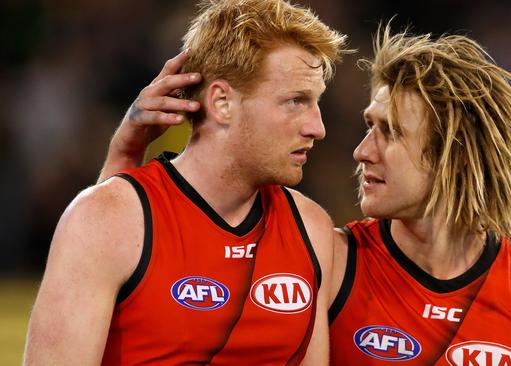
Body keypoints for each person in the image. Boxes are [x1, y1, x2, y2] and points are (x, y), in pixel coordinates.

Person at [89, 26, 511, 366]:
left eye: (389, 133)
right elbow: (147, 282)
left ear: (451, 156)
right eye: (367, 126)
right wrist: (123, 158)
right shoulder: (325, 262)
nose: (360, 151)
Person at [24, 0, 346, 364]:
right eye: (295, 101)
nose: (317, 128)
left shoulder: (312, 228)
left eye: (316, 102)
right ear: (222, 102)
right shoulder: (104, 219)